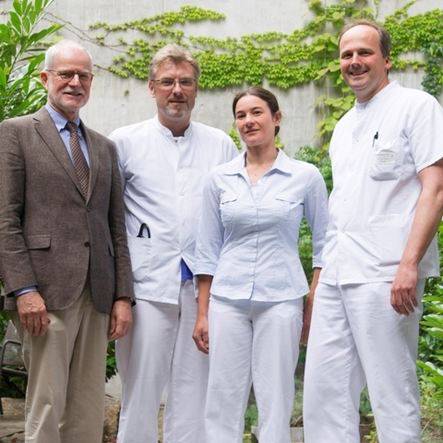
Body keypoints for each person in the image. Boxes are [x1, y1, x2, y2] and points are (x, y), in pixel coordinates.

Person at [303, 20, 443, 443]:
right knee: (324, 392)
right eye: (346, 55)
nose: (354, 62)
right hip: (338, 275)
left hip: (386, 275)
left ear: (386, 59)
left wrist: (408, 265)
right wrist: (319, 280)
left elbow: (434, 189)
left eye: (364, 53)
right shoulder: (344, 127)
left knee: (391, 389)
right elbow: (341, 208)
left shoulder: (416, 107)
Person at [0, 40, 134, 443]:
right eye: (66, 74)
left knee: (88, 404)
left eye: (83, 76)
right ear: (46, 78)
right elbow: (5, 218)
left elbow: (116, 227)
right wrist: (23, 289)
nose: (75, 82)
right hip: (44, 294)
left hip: (97, 294)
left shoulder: (104, 147)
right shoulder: (16, 133)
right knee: (46, 401)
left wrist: (122, 296)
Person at [110, 44, 237, 443]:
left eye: (185, 82)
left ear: (197, 90)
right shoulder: (124, 142)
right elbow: (110, 217)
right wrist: (119, 294)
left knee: (195, 392)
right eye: (167, 82)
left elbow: (230, 216)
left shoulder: (220, 144)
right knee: (141, 391)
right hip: (146, 287)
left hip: (203, 290)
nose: (176, 90)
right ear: (152, 88)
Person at [192, 86, 329, 443]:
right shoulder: (218, 179)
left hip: (281, 301)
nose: (248, 121)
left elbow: (324, 244)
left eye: (257, 113)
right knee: (222, 396)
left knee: (276, 396)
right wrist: (203, 312)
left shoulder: (305, 176)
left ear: (276, 118)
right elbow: (207, 249)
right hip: (227, 301)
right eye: (241, 115)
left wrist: (313, 300)